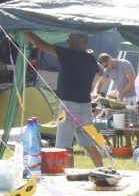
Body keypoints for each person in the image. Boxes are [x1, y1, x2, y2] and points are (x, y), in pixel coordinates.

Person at [22, 32, 103, 167]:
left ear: (79, 41)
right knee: (89, 145)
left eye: (70, 39)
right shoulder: (90, 59)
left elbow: (40, 44)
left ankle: (70, 177)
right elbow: (100, 71)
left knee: (64, 146)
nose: (68, 42)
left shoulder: (67, 54)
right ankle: (104, 172)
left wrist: (26, 32)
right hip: (85, 108)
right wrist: (88, 54)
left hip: (69, 107)